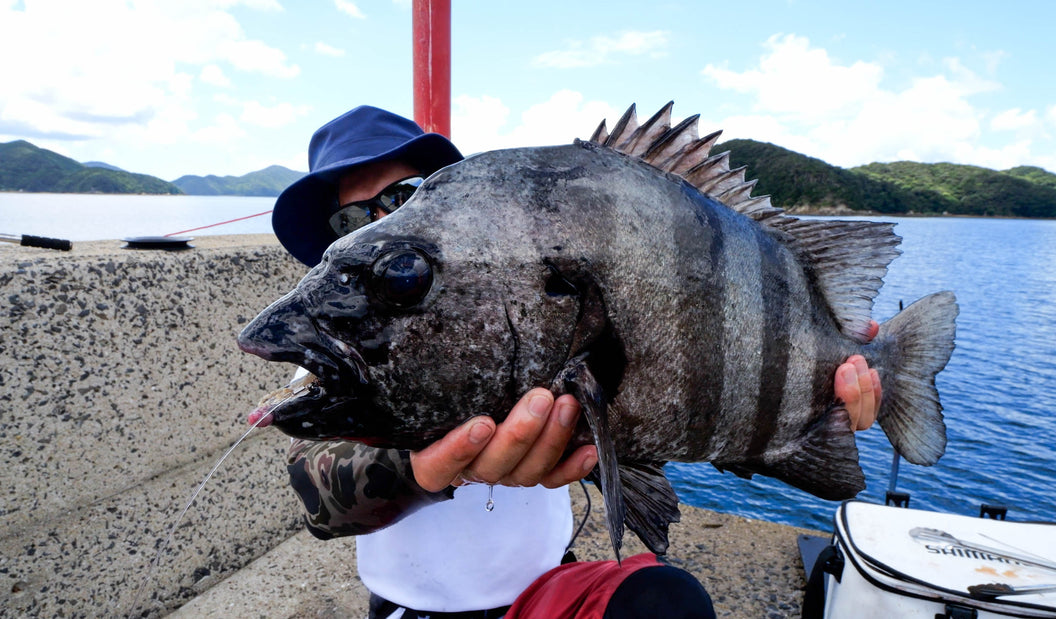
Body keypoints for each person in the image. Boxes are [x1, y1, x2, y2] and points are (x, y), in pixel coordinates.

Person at [269, 106, 883, 619]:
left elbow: (657, 414)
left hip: (546, 593)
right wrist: (433, 467)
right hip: (413, 609)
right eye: (350, 220)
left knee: (670, 603)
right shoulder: (352, 360)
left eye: (403, 199)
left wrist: (816, 397)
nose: (381, 223)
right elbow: (316, 490)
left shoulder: (540, 285)